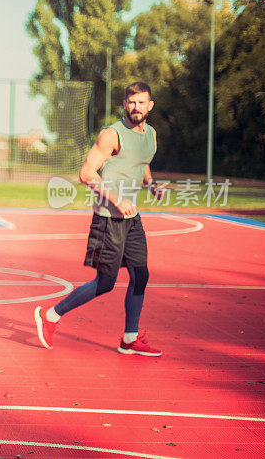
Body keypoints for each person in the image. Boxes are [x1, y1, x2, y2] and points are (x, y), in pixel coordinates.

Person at [35, 81, 166, 357]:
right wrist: (118, 199)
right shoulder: (111, 135)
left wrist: (152, 185)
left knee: (140, 275)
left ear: (150, 105)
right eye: (131, 102)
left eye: (141, 102)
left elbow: (142, 163)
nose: (136, 107)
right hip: (109, 217)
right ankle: (51, 316)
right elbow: (86, 174)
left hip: (132, 218)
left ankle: (129, 339)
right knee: (105, 283)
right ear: (124, 105)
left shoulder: (151, 134)